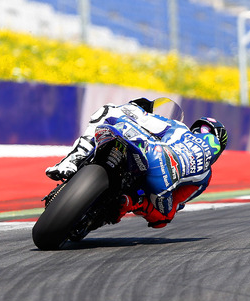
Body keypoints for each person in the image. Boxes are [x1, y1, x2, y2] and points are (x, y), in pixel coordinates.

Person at [45, 98, 228, 228]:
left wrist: (136, 108)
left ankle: (71, 160)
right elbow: (173, 207)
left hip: (150, 153)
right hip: (159, 182)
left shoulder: (179, 128)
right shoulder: (205, 176)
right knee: (164, 216)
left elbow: (141, 118)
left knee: (107, 111)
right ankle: (129, 202)